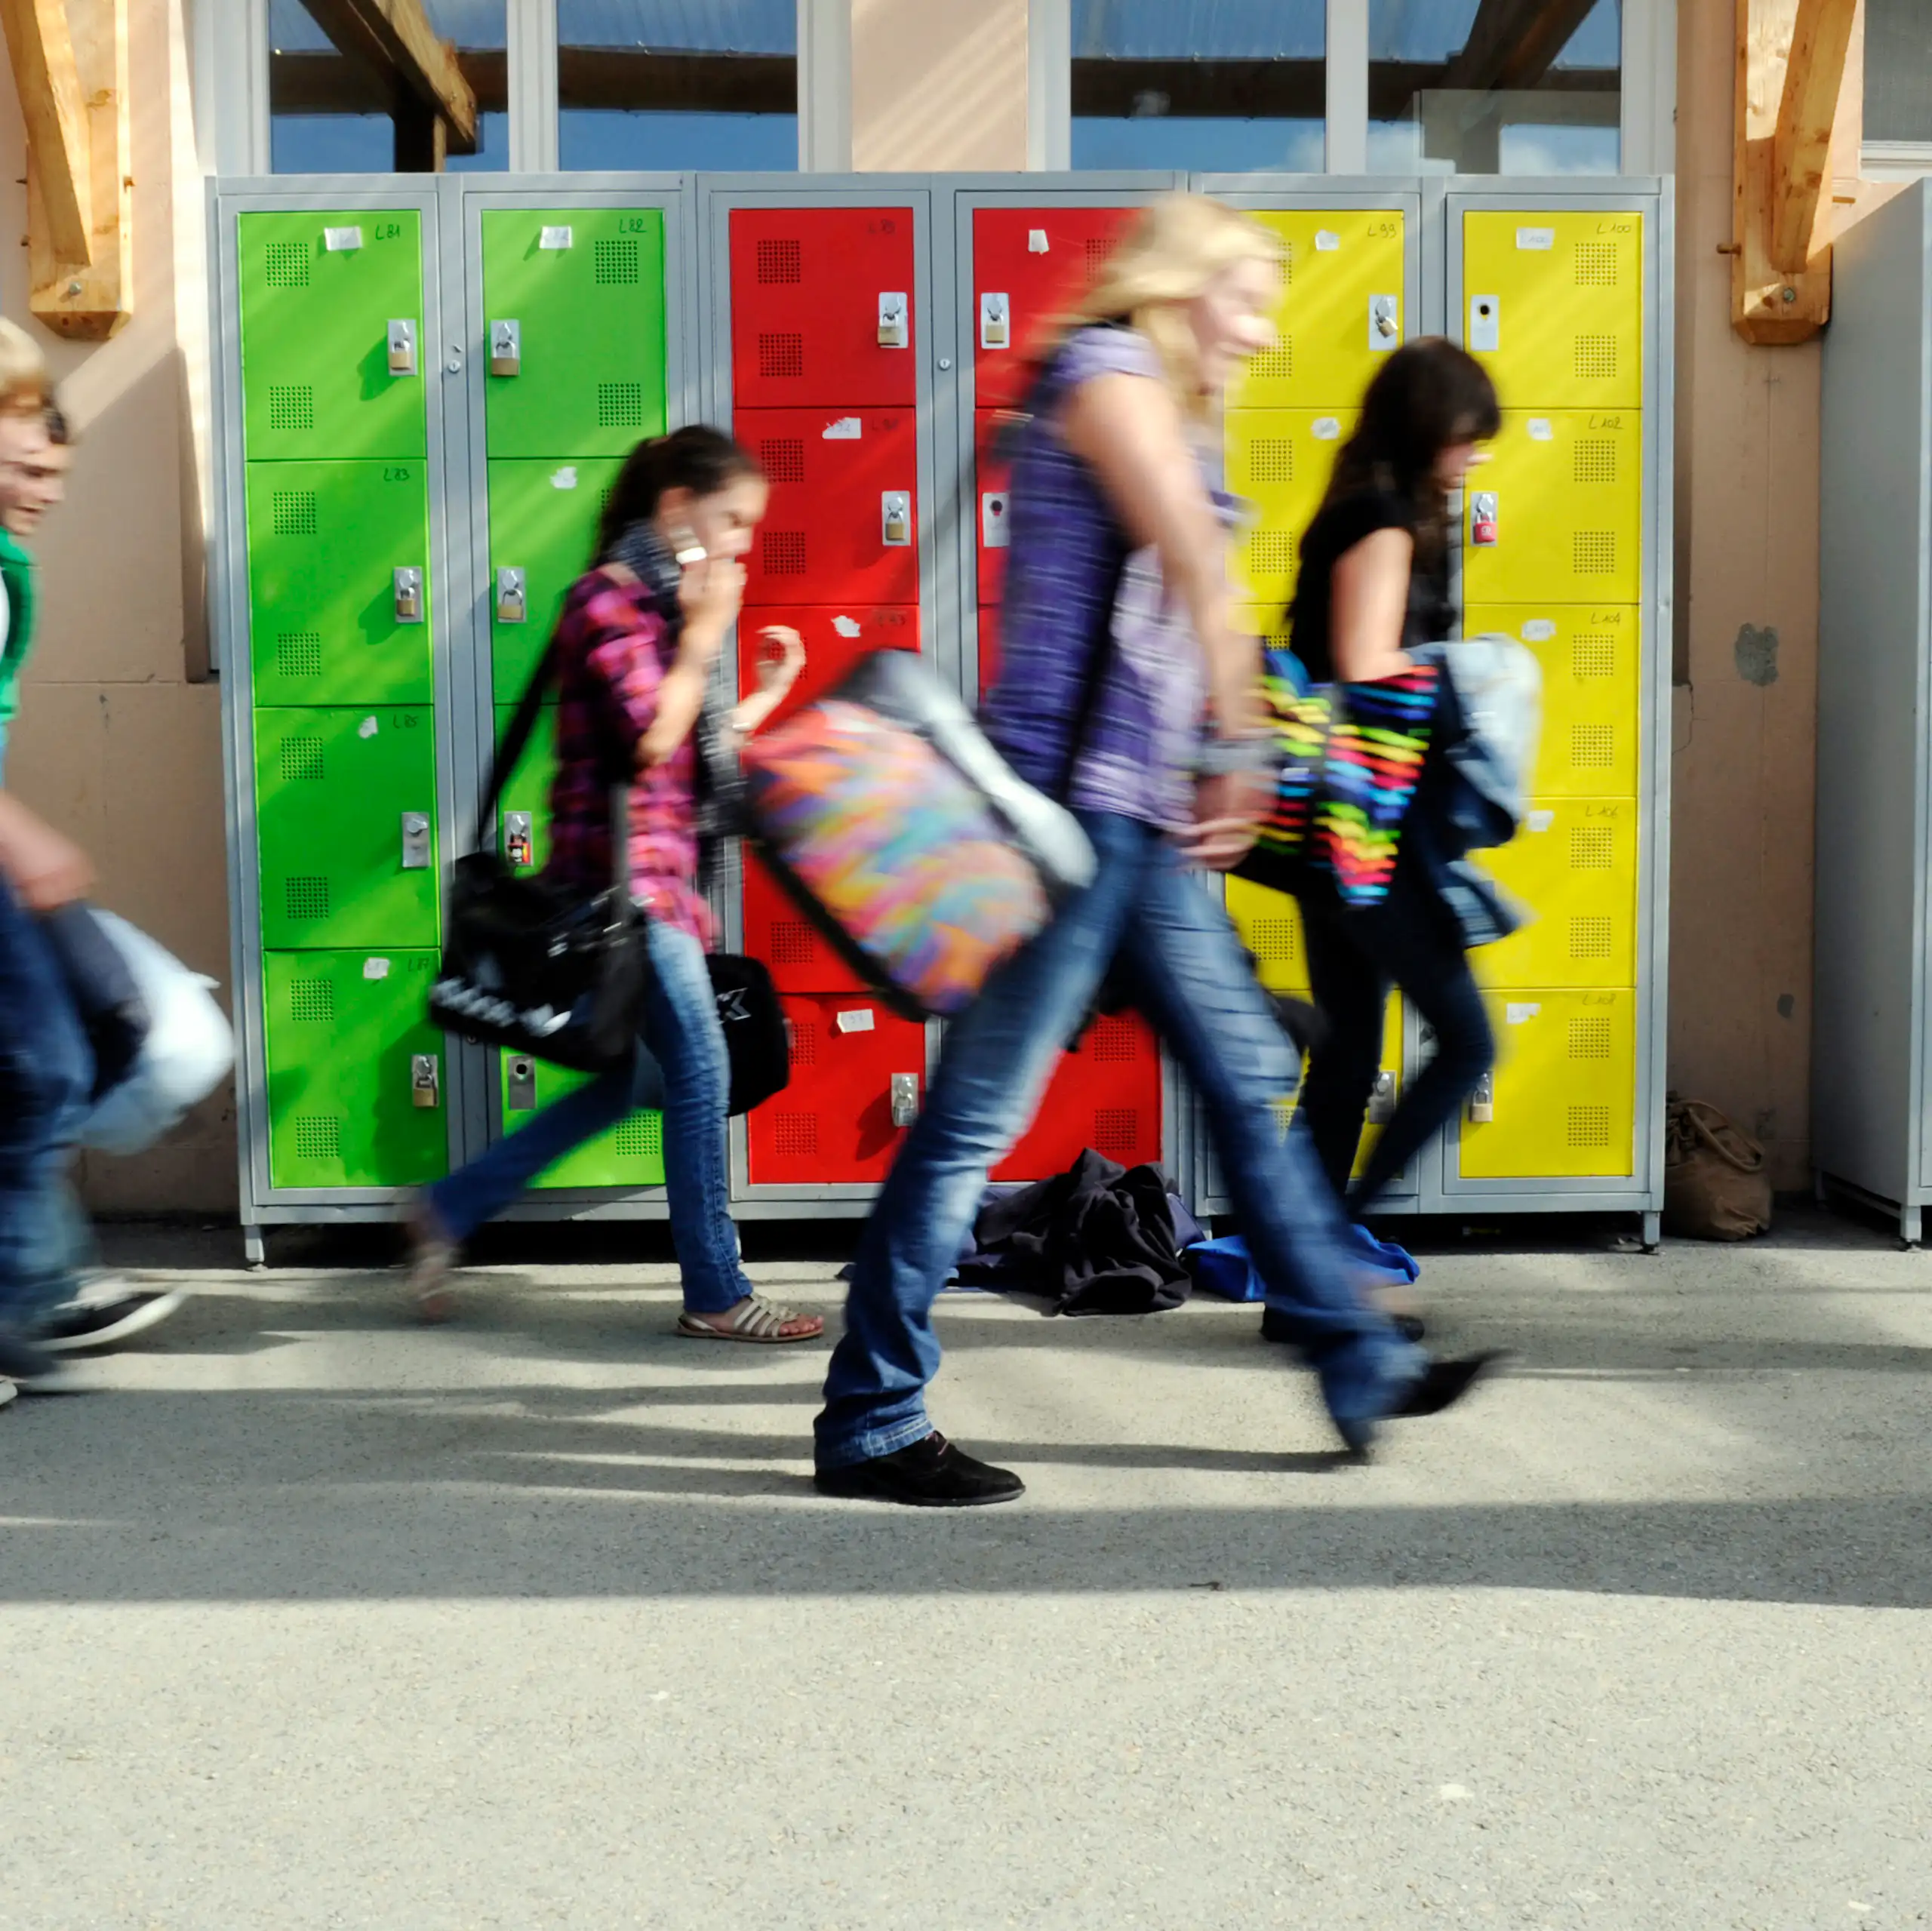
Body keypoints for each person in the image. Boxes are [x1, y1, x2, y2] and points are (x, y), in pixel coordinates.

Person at [812, 195, 1499, 1505]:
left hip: (1137, 826)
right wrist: (1244, 737)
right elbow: (1191, 555)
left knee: (1250, 1087)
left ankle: (1354, 1363)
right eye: (1244, 295)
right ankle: (871, 1414)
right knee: (968, 1124)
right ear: (1180, 288)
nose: (1258, 326)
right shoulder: (1109, 370)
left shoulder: (1159, 396)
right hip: (1071, 827)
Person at [403, 426, 824, 1344]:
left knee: (639, 1081)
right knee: (702, 1067)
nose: (743, 545)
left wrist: (760, 695)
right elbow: (647, 736)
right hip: (622, 894)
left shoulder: (671, 613)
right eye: (733, 521)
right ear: (676, 508)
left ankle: (448, 1207)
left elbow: (692, 757)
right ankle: (717, 1292)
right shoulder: (605, 601)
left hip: (666, 888)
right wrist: (709, 641)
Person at [1283, 339, 1503, 1217]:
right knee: (1465, 1041)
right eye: (1465, 435)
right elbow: (1364, 666)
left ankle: (1305, 1281)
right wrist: (1475, 679)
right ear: (1424, 431)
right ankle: (1330, 1260)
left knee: (1343, 1057)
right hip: (1367, 825)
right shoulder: (1380, 523)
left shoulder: (1361, 506)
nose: (1476, 453)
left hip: (1334, 826)